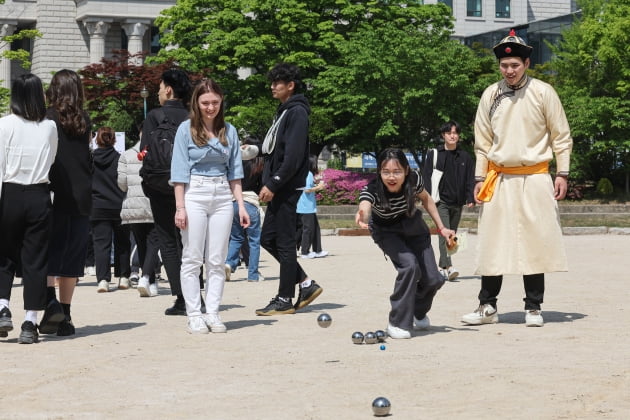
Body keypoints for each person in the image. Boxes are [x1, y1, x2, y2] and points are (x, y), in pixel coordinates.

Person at [461, 29, 573, 328]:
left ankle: (534, 307)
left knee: (536, 241)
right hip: (499, 178)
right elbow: (482, 142)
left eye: (514, 65)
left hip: (536, 175)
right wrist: (478, 177)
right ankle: (487, 306)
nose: (509, 70)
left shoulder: (543, 92)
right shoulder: (491, 94)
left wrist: (562, 172)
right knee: (492, 242)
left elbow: (561, 136)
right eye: (504, 65)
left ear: (525, 63)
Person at [171, 78, 250, 334]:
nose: (210, 107)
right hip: (194, 191)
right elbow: (179, 171)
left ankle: (213, 312)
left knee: (217, 259)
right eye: (205, 102)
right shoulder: (185, 129)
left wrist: (241, 205)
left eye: (215, 102)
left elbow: (235, 172)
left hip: (222, 194)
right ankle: (194, 313)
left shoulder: (230, 131)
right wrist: (180, 207)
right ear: (197, 103)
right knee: (192, 258)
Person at [355, 148, 454, 339]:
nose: (391, 177)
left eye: (397, 171)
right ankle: (397, 322)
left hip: (414, 227)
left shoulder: (414, 180)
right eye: (386, 172)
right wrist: (362, 214)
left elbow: (427, 200)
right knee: (409, 267)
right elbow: (365, 205)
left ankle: (417, 310)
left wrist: (442, 228)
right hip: (387, 232)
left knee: (434, 279)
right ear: (379, 172)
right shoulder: (373, 190)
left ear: (406, 170)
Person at [255, 63, 323, 316]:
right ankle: (305, 283)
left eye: (277, 83)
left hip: (285, 186)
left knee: (283, 242)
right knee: (267, 238)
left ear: (290, 85)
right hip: (279, 184)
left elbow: (293, 156)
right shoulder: (284, 111)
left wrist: (273, 183)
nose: (273, 87)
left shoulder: (296, 113)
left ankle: (285, 298)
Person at [0, 74, 58, 344]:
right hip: (39, 193)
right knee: (36, 260)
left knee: (5, 256)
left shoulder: (4, 124)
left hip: (10, 192)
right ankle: (30, 321)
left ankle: (2, 307)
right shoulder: (49, 127)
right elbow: (52, 159)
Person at [40, 69, 93, 337]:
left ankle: (50, 303)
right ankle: (67, 314)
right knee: (73, 256)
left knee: (51, 251)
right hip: (82, 193)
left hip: (54, 191)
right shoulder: (84, 119)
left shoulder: (48, 117)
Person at [141, 69, 192, 315]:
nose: (158, 92)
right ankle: (195, 294)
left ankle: (181, 298)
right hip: (189, 186)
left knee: (168, 241)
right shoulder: (194, 116)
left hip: (160, 186)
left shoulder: (155, 115)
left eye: (160, 88)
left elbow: (144, 152)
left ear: (169, 89)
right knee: (190, 242)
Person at [422, 121, 475, 281]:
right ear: (443, 135)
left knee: (453, 235)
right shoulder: (434, 154)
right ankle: (450, 266)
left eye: (455, 133)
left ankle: (441, 267)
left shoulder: (465, 156)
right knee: (443, 233)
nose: (453, 135)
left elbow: (469, 179)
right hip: (440, 201)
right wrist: (429, 198)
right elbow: (426, 176)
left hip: (458, 202)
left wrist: (470, 197)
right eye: (449, 132)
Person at [118, 128, 161, 298]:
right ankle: (147, 278)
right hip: (153, 202)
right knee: (154, 241)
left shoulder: (126, 155)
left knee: (142, 244)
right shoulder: (158, 153)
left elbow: (121, 183)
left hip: (132, 204)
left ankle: (149, 281)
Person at [91, 127, 131, 292]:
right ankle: (123, 277)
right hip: (118, 205)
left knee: (101, 244)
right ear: (114, 140)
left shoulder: (90, 159)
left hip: (97, 206)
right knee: (122, 243)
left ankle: (103, 280)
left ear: (97, 140)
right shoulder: (120, 158)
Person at [225, 137, 265, 282]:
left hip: (234, 201)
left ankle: (229, 263)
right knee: (254, 240)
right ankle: (253, 274)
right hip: (251, 202)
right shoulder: (260, 165)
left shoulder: (237, 162)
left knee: (236, 237)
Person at [296, 155, 328, 259]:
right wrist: (319, 187)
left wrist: (315, 182)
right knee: (308, 229)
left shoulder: (305, 173)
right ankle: (305, 252)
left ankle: (318, 250)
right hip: (306, 207)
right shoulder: (308, 174)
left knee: (315, 228)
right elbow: (307, 190)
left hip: (307, 206)